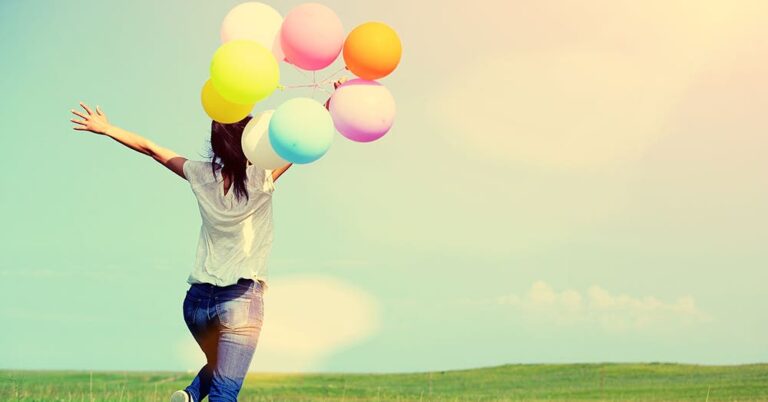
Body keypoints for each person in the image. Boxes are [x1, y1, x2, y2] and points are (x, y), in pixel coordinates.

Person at [70, 80, 344, 402]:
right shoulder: (261, 177)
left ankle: (188, 396)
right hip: (240, 300)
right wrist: (330, 107)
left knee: (220, 366)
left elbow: (151, 149)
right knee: (225, 391)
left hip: (196, 305)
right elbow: (297, 143)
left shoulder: (200, 175)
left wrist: (107, 128)